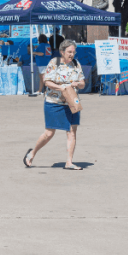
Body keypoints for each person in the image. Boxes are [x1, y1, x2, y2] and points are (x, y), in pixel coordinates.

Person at [23, 40, 86, 170]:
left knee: (72, 132)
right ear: (62, 52)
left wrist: (78, 84)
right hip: (53, 102)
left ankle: (69, 162)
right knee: (49, 133)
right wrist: (61, 88)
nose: (72, 54)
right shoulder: (54, 63)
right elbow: (47, 82)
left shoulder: (76, 64)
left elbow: (83, 82)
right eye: (69, 52)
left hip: (72, 103)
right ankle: (32, 153)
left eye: (73, 52)